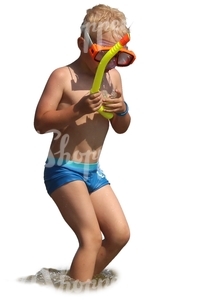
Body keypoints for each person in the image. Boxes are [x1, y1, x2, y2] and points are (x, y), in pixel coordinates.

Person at [34, 4, 135, 282]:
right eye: (104, 55)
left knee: (119, 234)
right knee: (91, 237)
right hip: (63, 167)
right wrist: (76, 110)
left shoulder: (113, 78)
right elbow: (40, 122)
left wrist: (122, 110)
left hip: (93, 170)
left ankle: (77, 282)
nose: (110, 64)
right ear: (83, 44)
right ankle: (78, 289)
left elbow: (121, 128)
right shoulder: (63, 76)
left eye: (119, 57)